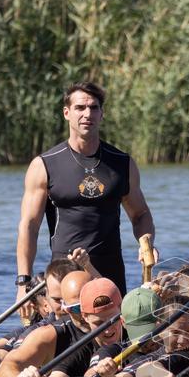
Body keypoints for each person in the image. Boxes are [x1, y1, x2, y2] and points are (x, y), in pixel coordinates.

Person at [14, 81, 158, 318]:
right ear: (67, 113)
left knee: (112, 342)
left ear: (102, 114)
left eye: (94, 108)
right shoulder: (45, 165)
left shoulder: (122, 163)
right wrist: (23, 285)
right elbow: (29, 226)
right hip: (64, 272)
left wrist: (146, 243)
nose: (87, 114)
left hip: (109, 270)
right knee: (67, 342)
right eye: (80, 108)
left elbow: (140, 214)